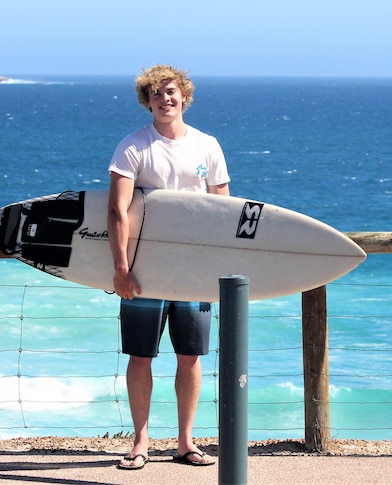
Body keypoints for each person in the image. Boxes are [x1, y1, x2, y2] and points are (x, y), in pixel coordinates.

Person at [107, 65, 230, 470]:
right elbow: (117, 210)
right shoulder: (134, 146)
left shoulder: (207, 146)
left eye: (171, 92)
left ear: (184, 97)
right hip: (144, 271)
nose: (165, 100)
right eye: (156, 94)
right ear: (148, 101)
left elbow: (223, 213)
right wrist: (121, 268)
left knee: (190, 356)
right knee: (141, 356)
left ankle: (185, 442)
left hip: (193, 271)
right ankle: (140, 442)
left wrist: (217, 270)